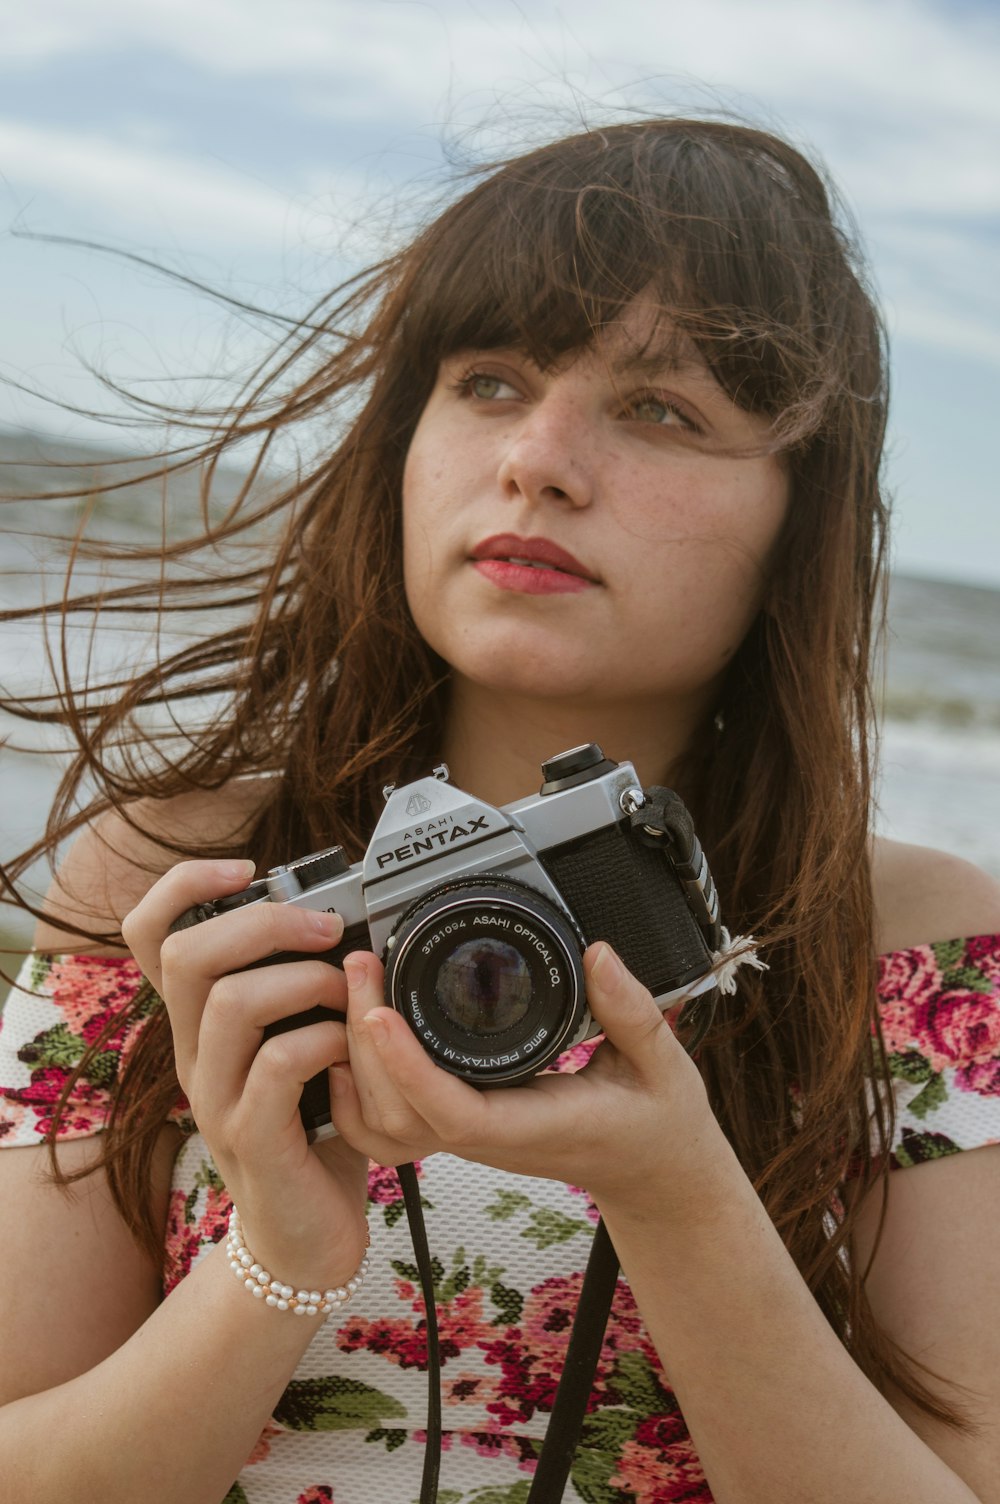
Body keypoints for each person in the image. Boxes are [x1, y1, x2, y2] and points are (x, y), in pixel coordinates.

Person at [1, 115, 999, 1504]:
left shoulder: (908, 950)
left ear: (798, 517)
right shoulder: (181, 894)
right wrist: (278, 1262)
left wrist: (675, 1192)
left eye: (660, 409)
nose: (538, 459)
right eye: (488, 381)